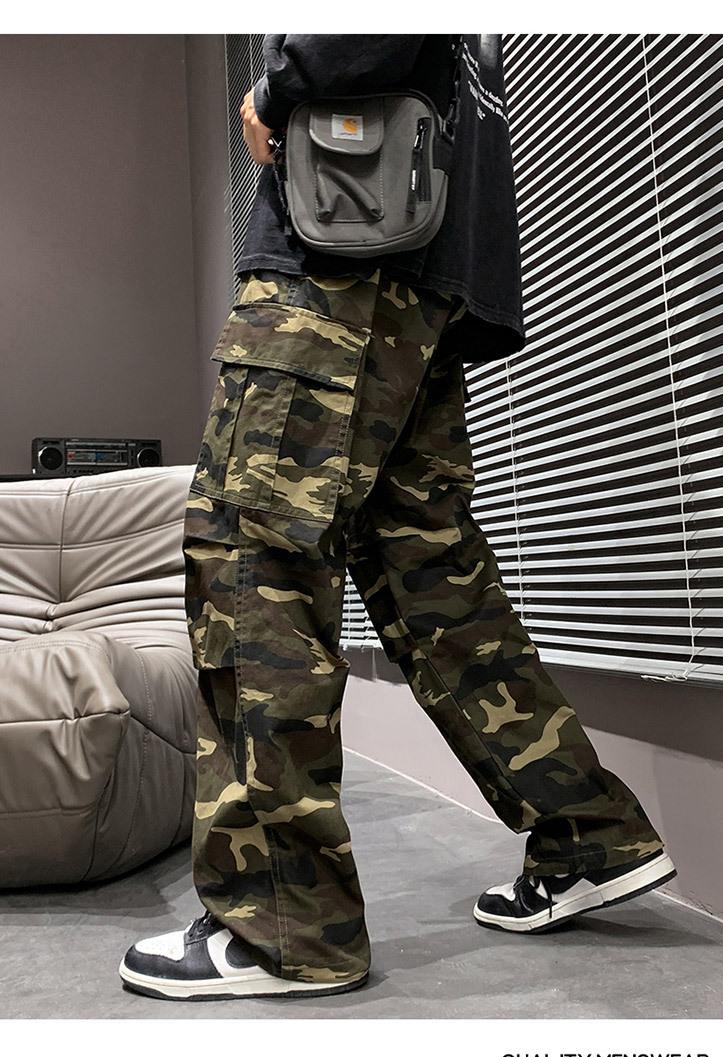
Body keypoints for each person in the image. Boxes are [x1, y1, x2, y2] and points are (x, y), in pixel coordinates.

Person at [119, 34, 675, 1002]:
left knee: (256, 561)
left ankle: (284, 927)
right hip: (418, 276)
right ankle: (590, 835)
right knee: (436, 589)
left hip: (337, 266)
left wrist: (276, 86)